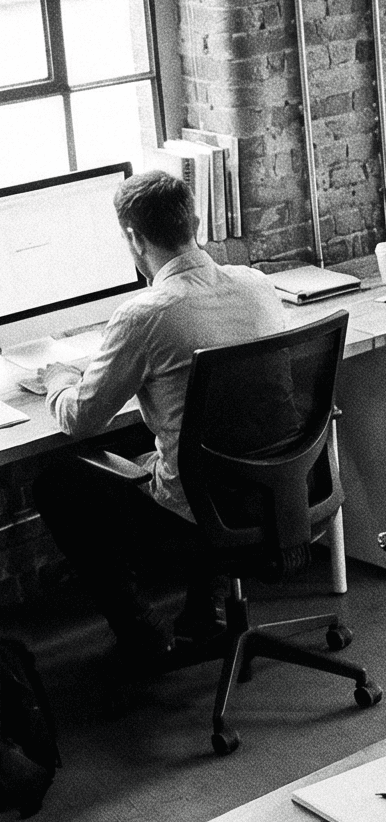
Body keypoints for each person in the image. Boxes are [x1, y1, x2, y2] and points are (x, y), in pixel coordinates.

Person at [34, 169, 287, 675]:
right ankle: (201, 611)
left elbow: (81, 419)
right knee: (175, 444)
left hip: (195, 507)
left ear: (134, 238)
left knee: (58, 481)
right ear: (194, 221)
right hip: (274, 487)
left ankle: (140, 634)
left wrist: (59, 378)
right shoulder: (258, 285)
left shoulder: (144, 315)